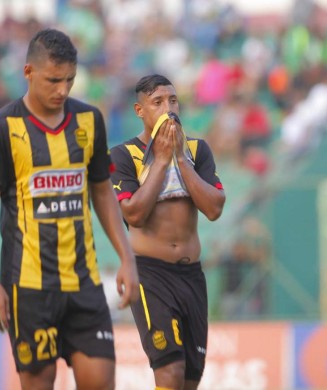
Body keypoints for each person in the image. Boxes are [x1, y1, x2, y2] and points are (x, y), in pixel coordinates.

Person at [0, 28, 139, 389]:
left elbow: (103, 193)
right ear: (28, 72)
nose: (62, 90)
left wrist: (126, 257)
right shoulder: (1, 128)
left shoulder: (89, 121)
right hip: (28, 287)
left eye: (69, 80)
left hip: (84, 283)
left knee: (100, 381)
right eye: (53, 80)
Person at [110, 74, 225, 390]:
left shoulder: (197, 150)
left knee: (189, 380)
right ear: (140, 110)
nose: (168, 108)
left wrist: (179, 160)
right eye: (157, 102)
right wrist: (161, 161)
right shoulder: (124, 156)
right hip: (151, 275)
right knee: (169, 373)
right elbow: (133, 213)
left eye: (172, 100)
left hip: (191, 276)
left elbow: (214, 209)